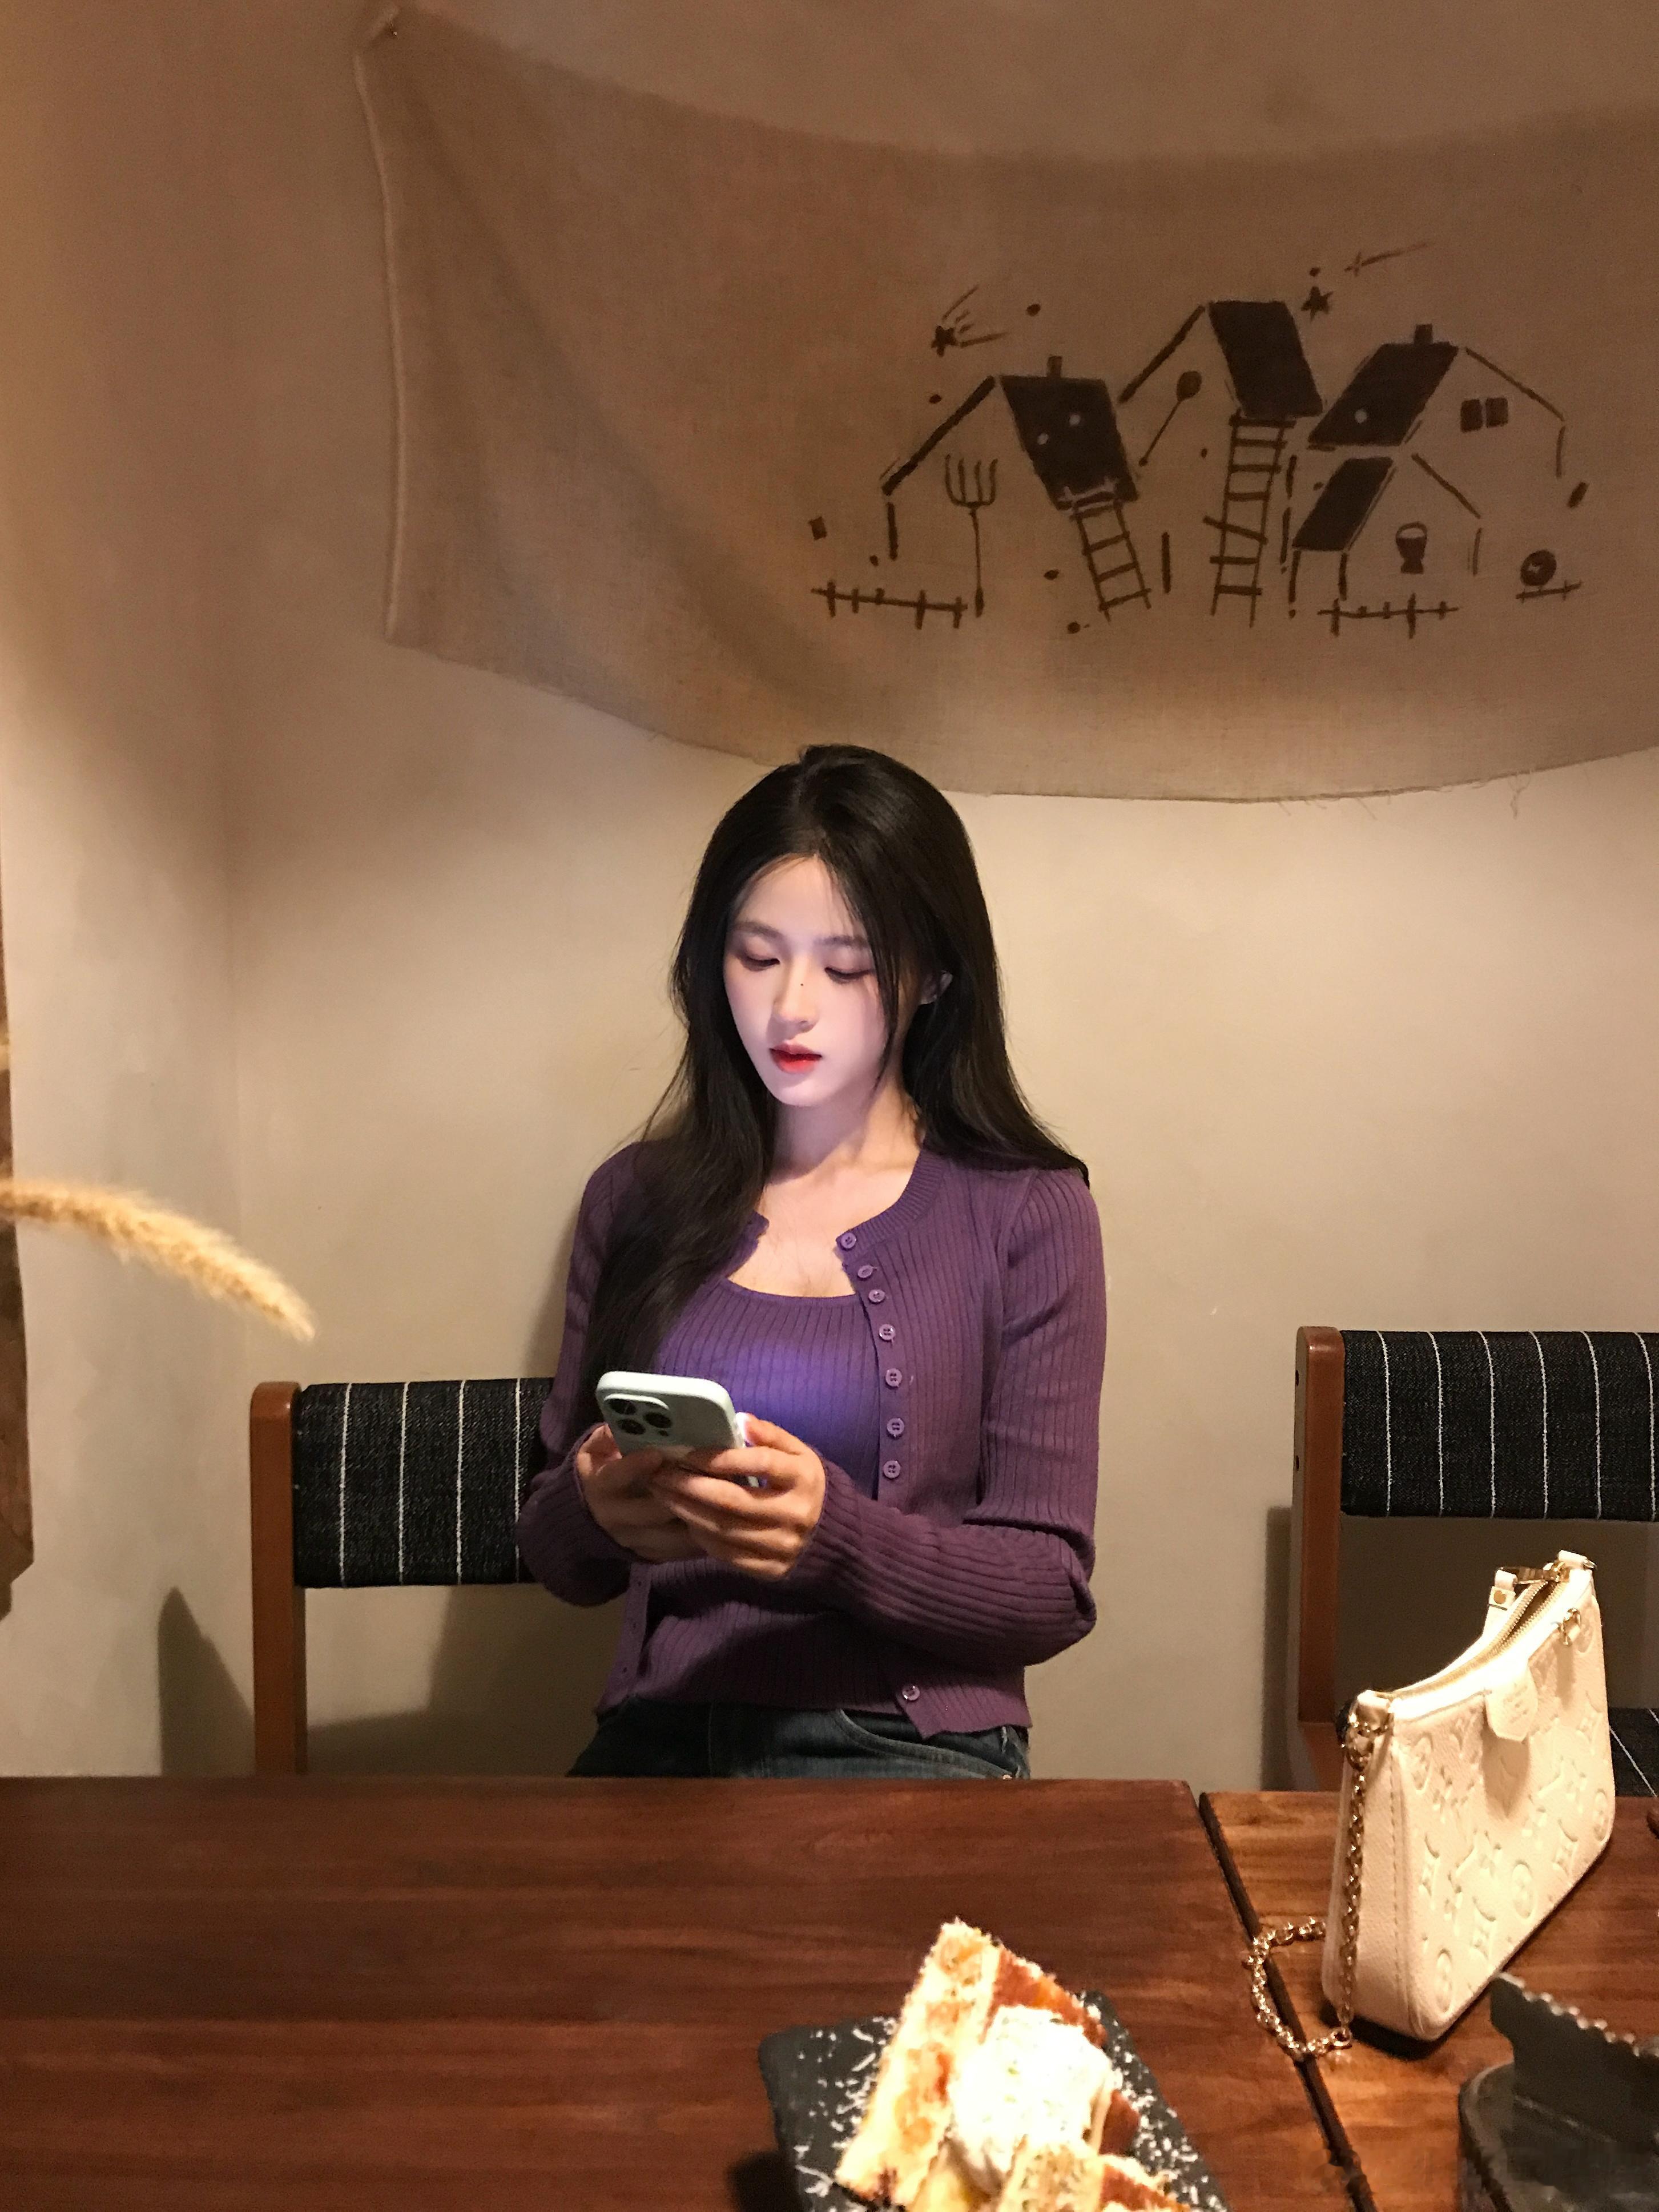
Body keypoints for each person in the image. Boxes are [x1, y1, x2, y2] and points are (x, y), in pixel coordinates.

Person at [517, 744, 1105, 1779]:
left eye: (846, 967)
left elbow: (1047, 1589)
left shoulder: (1026, 1211)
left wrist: (834, 1539)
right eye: (756, 957)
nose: (792, 1006)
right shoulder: (634, 1198)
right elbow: (557, 1555)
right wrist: (595, 1511)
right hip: (664, 1734)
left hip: (913, 1746)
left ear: (934, 976)